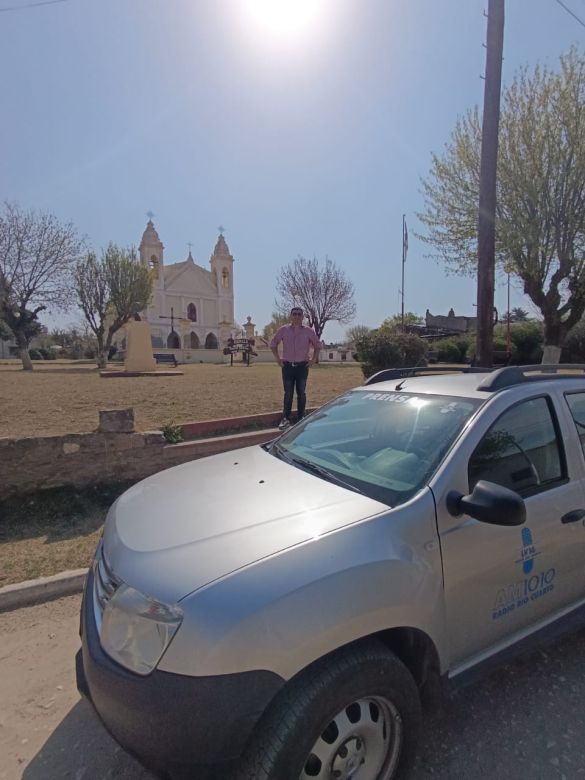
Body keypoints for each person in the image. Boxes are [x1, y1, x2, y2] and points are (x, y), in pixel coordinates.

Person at [270, 307, 321, 429]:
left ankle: (301, 417)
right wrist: (278, 359)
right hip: (287, 366)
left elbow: (317, 345)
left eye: (299, 314)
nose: (297, 316)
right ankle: (285, 419)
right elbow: (273, 344)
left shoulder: (308, 331)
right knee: (288, 393)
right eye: (294, 314)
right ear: (290, 316)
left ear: (303, 317)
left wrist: (313, 359)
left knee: (301, 393)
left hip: (302, 367)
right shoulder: (283, 330)